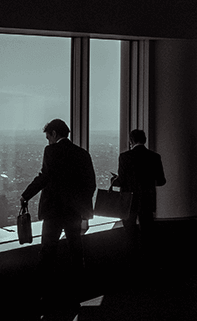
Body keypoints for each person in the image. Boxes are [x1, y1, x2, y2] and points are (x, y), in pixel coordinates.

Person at [21, 119, 97, 304]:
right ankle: (79, 291)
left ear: (54, 134)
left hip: (54, 211)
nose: (48, 141)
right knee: (76, 251)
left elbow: (44, 177)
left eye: (48, 137)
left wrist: (26, 195)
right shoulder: (82, 154)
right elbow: (91, 184)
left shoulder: (52, 151)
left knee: (48, 252)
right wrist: (80, 205)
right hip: (74, 212)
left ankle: (40, 294)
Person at [112, 129, 166, 248]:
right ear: (145, 140)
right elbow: (162, 181)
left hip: (129, 200)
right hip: (147, 199)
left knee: (130, 234)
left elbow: (121, 181)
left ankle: (132, 261)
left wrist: (114, 181)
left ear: (131, 141)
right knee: (147, 234)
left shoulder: (124, 157)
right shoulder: (155, 157)